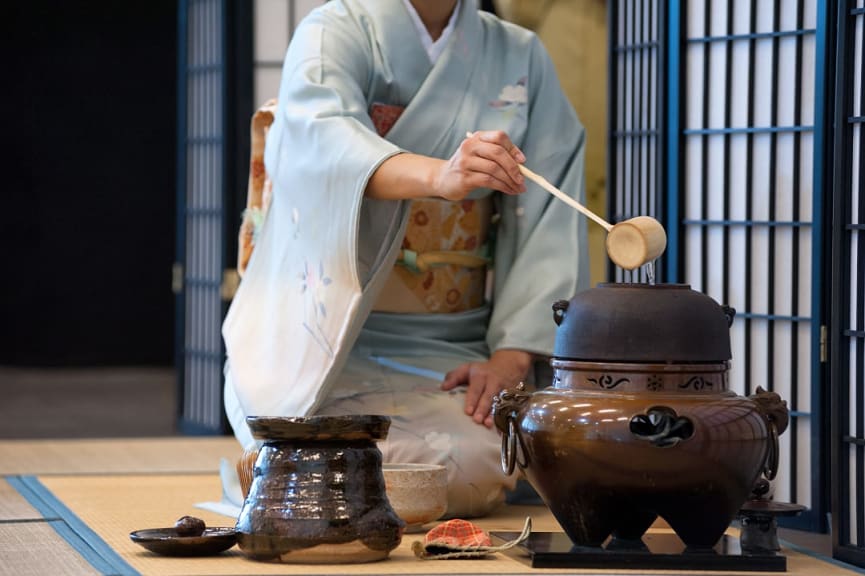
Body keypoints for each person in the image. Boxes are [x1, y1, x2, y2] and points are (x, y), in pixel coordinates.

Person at [222, 0, 589, 517]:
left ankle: (280, 481)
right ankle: (284, 465)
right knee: (307, 434)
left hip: (448, 356)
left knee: (466, 466)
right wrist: (440, 177)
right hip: (317, 344)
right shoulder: (334, 32)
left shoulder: (520, 56)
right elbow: (321, 144)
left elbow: (548, 212)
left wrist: (510, 358)